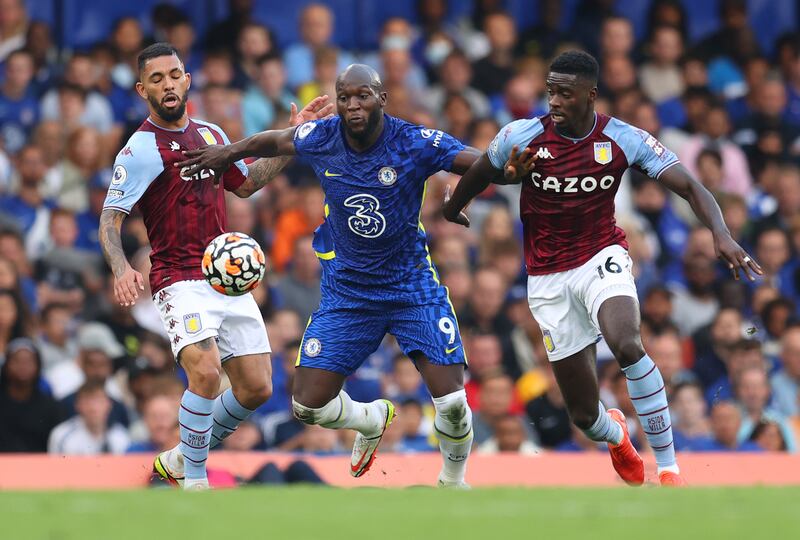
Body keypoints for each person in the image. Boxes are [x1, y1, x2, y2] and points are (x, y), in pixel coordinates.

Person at [176, 63, 527, 487]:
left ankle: (453, 483)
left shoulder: (413, 141)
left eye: (363, 96)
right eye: (345, 97)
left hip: (410, 287)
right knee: (307, 406)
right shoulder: (324, 137)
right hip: (349, 293)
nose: (352, 105)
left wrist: (506, 171)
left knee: (451, 401)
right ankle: (371, 418)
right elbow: (275, 141)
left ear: (382, 98)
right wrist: (228, 152)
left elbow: (473, 161)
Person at [442, 50, 764, 487]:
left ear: (590, 95)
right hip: (547, 278)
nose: (553, 101)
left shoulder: (623, 138)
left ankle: (668, 468)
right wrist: (454, 208)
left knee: (627, 343)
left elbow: (689, 184)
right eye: (550, 91)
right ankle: (617, 435)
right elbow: (482, 170)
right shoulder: (522, 135)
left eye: (564, 93)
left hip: (601, 256)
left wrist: (720, 233)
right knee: (584, 415)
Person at [97, 43, 332, 490]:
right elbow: (111, 216)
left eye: (174, 75)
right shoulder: (141, 148)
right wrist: (121, 266)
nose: (167, 84)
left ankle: (182, 457)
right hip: (176, 279)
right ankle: (196, 479)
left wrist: (292, 137)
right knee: (205, 373)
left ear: (187, 80)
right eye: (157, 79)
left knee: (258, 388)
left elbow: (246, 185)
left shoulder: (212, 135)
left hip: (224, 280)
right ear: (141, 89)